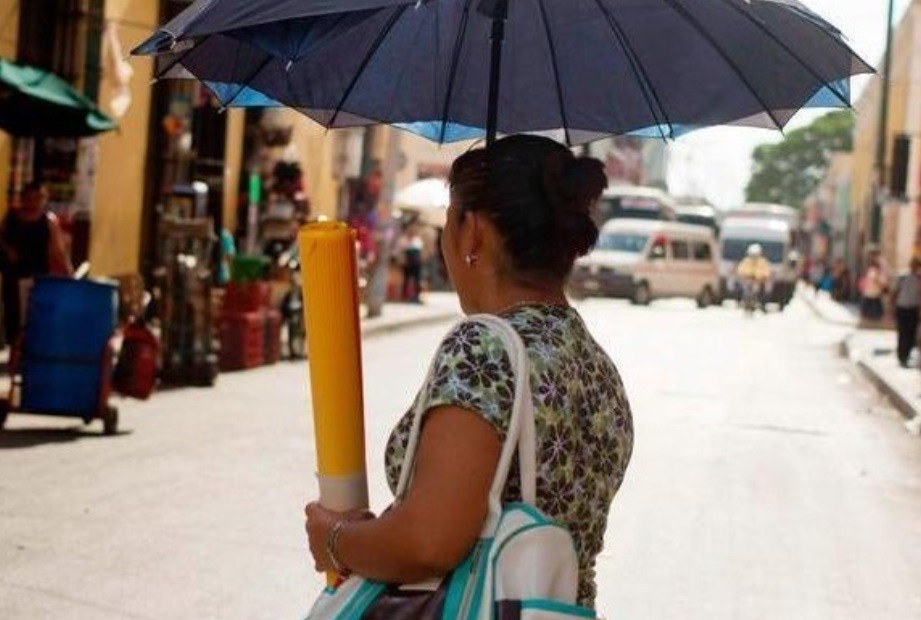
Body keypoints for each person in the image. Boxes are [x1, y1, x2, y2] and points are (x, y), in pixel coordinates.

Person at [304, 135, 634, 609]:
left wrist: (335, 538)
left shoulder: (483, 349)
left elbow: (428, 543)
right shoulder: (593, 362)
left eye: (448, 220)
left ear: (471, 231)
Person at [0, 181, 73, 347]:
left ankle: (27, 354)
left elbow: (58, 250)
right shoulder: (12, 216)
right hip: (13, 276)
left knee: (32, 317)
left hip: (37, 276)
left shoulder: (48, 221)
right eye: (29, 198)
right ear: (23, 199)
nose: (33, 203)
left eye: (38, 198)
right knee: (13, 317)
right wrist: (8, 250)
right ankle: (15, 353)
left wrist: (69, 274)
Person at [891, 256, 921, 368]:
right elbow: (894, 292)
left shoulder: (919, 278)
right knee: (902, 333)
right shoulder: (902, 276)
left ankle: (907, 355)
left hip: (913, 309)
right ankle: (901, 356)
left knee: (911, 333)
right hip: (902, 308)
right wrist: (891, 308)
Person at [736, 243, 772, 311]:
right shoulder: (746, 261)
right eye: (752, 254)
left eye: (755, 255)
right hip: (747, 280)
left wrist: (760, 275)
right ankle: (740, 301)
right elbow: (740, 269)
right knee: (739, 286)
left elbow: (767, 271)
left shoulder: (762, 262)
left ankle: (762, 304)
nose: (754, 256)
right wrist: (747, 274)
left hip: (758, 280)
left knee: (765, 289)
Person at [398, 221, 424, 302]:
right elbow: (401, 251)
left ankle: (416, 296)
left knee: (417, 279)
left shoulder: (417, 239)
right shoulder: (404, 239)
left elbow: (420, 251)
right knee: (407, 279)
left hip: (416, 263)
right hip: (408, 262)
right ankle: (405, 296)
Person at [859, 252, 887, 321]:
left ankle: (869, 319)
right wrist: (882, 285)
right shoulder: (873, 271)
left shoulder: (872, 270)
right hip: (872, 293)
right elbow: (875, 280)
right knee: (874, 309)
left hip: (871, 293)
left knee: (871, 308)